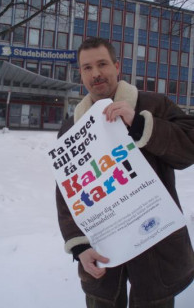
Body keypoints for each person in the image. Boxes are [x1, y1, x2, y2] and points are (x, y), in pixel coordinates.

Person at [56, 37, 194, 308]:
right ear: (81, 73)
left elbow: (190, 145)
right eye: (87, 68)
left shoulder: (153, 104)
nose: (95, 73)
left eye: (102, 64)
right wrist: (79, 246)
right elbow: (66, 193)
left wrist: (141, 125)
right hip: (102, 253)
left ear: (117, 66)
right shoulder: (71, 128)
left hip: (156, 245)